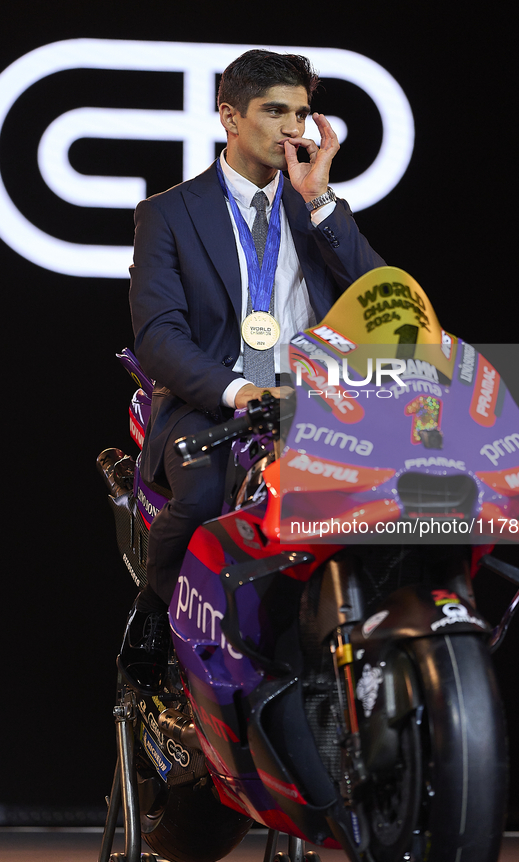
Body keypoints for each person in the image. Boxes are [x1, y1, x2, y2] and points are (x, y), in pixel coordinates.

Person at [118, 49, 385, 692]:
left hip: (316, 402)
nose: (294, 129)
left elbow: (382, 298)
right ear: (229, 117)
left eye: (302, 113)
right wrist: (239, 390)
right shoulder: (170, 213)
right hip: (215, 403)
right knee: (208, 497)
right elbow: (158, 333)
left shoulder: (312, 207)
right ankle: (154, 612)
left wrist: (320, 199)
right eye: (275, 111)